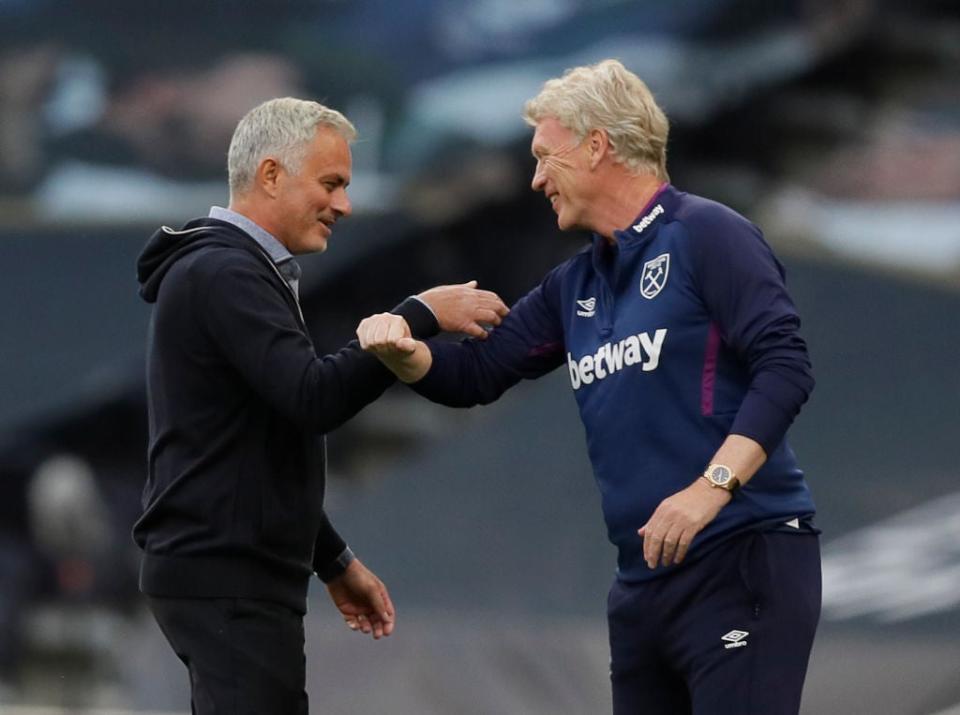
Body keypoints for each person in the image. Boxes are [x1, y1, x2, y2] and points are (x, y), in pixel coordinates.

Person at [357, 60, 820, 715]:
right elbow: (478, 375)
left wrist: (708, 489)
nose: (536, 177)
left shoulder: (707, 234)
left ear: (598, 144)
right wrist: (405, 352)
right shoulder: (573, 285)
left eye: (546, 156)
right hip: (641, 584)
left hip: (740, 555)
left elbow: (786, 366)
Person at [134, 97, 508, 715]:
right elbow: (313, 398)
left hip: (227, 573)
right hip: (228, 577)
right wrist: (415, 316)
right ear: (272, 175)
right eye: (331, 183)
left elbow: (265, 434)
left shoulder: (234, 269)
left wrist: (332, 558)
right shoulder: (225, 271)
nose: (344, 205)